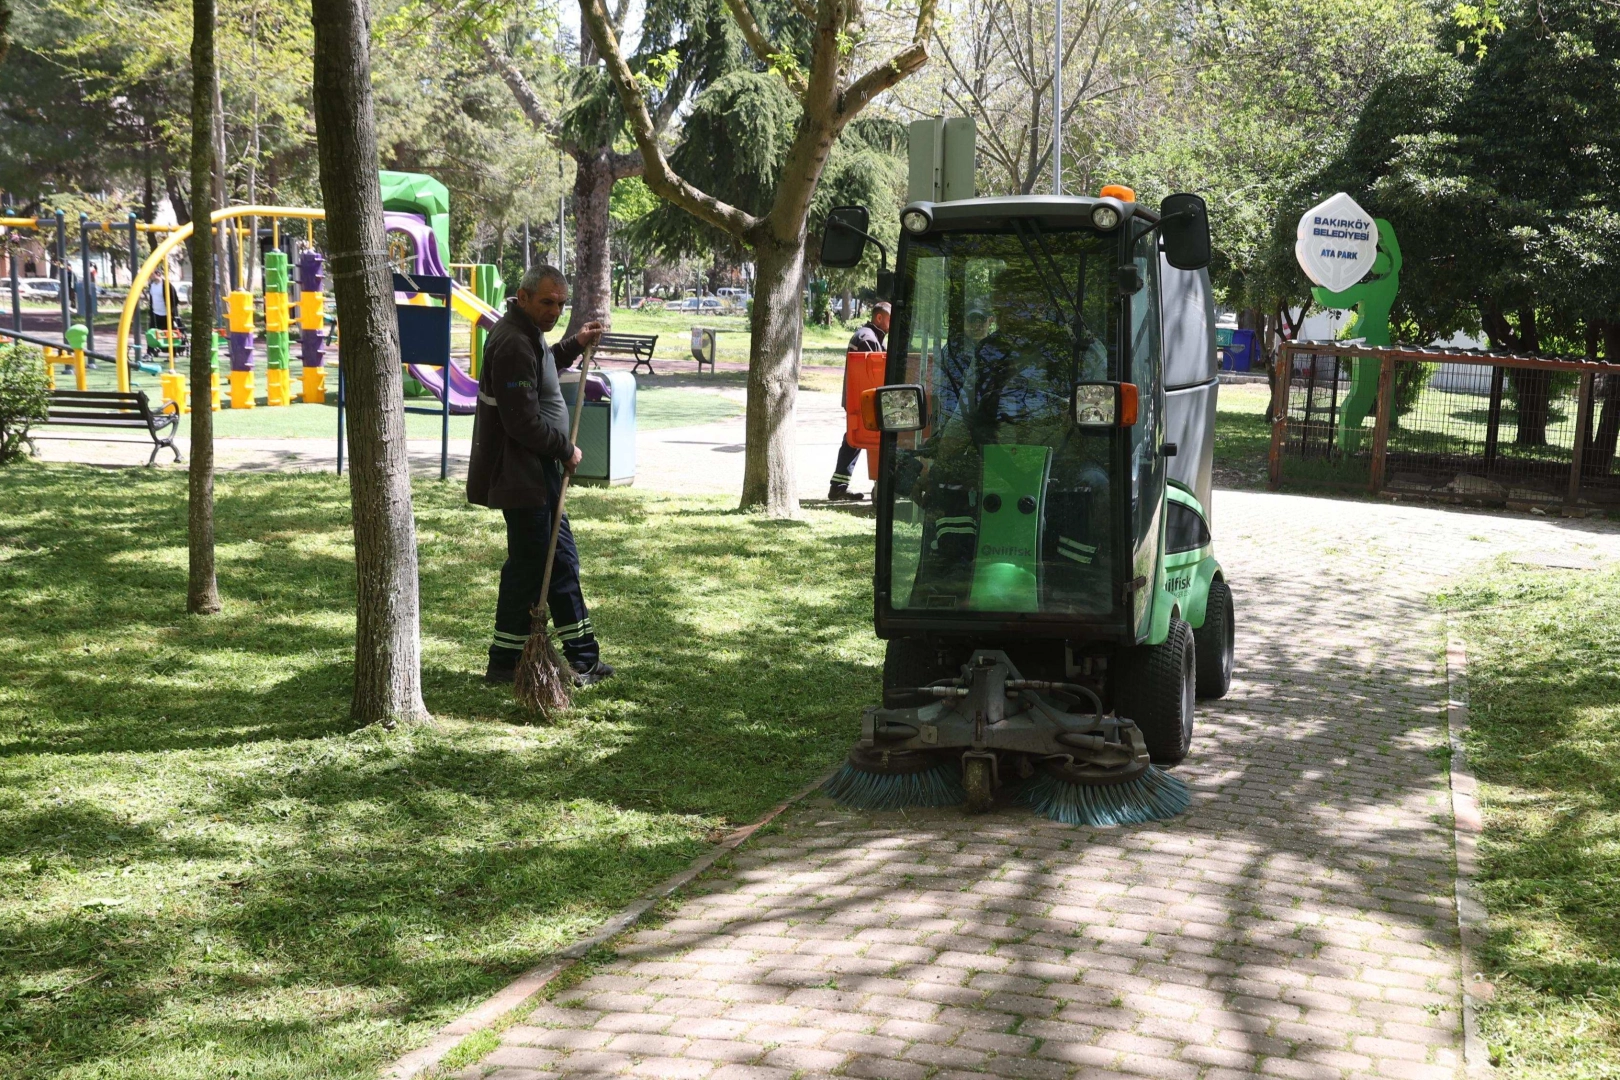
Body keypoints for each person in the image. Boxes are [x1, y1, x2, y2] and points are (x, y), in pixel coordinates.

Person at [467, 264, 612, 687]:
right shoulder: (513, 341)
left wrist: (576, 343)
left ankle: (506, 662)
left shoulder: (527, 334)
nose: (554, 311)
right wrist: (565, 448)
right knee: (553, 562)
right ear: (523, 295)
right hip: (524, 474)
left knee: (532, 566)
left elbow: (545, 365)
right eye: (547, 302)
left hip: (536, 471)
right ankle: (579, 660)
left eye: (560, 305)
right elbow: (521, 423)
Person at [828, 300, 891, 501]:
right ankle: (844, 485)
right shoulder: (868, 338)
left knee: (853, 439)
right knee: (864, 439)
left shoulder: (867, 335)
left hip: (858, 399)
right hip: (865, 400)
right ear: (879, 318)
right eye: (891, 319)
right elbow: (876, 374)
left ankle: (838, 485)